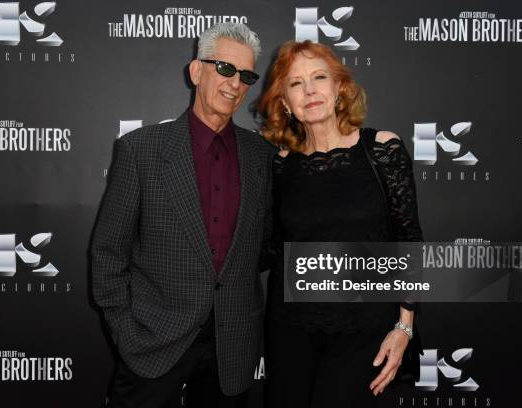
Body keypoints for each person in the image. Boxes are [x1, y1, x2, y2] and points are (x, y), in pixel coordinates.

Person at [91, 22, 275, 408]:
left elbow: (266, 247)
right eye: (224, 68)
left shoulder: (262, 157)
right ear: (196, 71)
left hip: (232, 349)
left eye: (246, 75)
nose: (235, 83)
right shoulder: (140, 151)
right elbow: (108, 253)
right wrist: (128, 334)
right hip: (153, 343)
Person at [257, 40, 423, 407]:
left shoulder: (382, 149)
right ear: (284, 102)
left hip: (364, 329)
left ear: (339, 88)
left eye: (319, 77)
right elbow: (272, 248)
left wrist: (404, 325)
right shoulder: (281, 165)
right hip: (291, 330)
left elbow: (409, 241)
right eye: (296, 83)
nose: (310, 90)